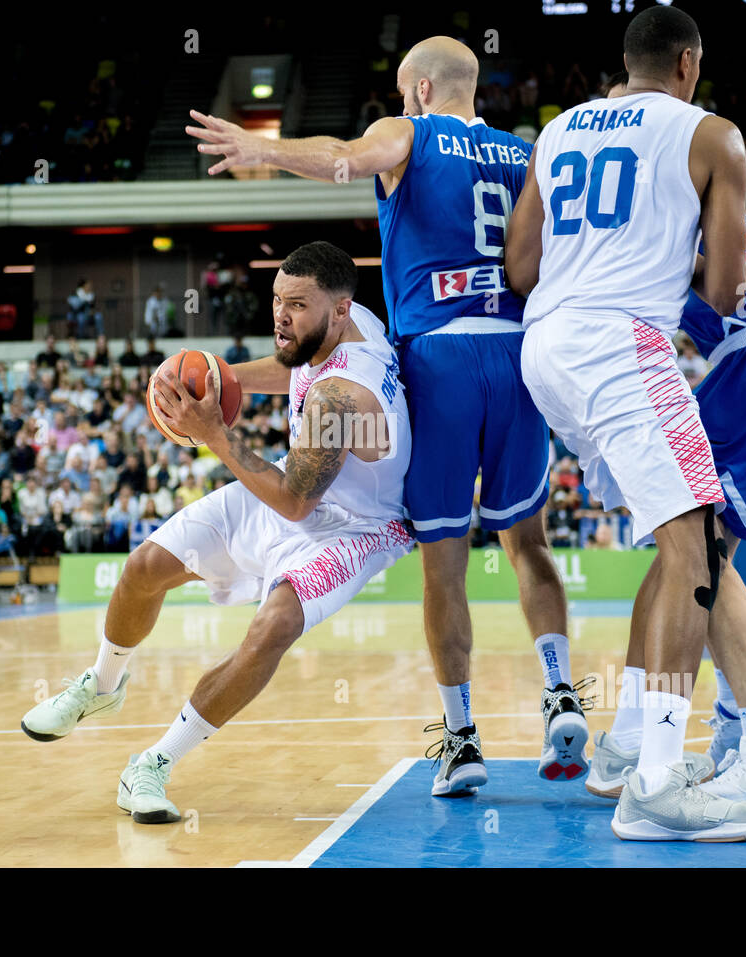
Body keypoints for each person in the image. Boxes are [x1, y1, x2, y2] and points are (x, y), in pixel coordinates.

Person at [187, 35, 583, 798]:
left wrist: (259, 151)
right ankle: (560, 691)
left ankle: (463, 738)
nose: (399, 109)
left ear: (424, 91)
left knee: (446, 561)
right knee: (528, 541)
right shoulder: (526, 152)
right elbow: (537, 265)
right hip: (518, 354)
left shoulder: (412, 132)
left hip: (441, 362)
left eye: (405, 96)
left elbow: (345, 154)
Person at [20, 242, 413, 825]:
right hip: (298, 478)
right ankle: (102, 682)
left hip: (354, 525)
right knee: (143, 569)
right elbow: (291, 369)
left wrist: (215, 433)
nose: (281, 315)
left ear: (338, 309)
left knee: (274, 624)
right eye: (277, 299)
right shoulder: (351, 322)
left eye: (297, 305)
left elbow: (295, 504)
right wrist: (216, 375)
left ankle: (152, 763)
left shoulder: (342, 397)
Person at [506, 6, 746, 841]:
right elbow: (727, 293)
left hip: (544, 347)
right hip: (623, 344)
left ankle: (629, 750)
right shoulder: (713, 137)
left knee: (676, 541)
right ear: (688, 63)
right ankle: (659, 783)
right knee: (696, 545)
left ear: (627, 65)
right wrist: (675, 245)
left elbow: (520, 266)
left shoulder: (556, 134)